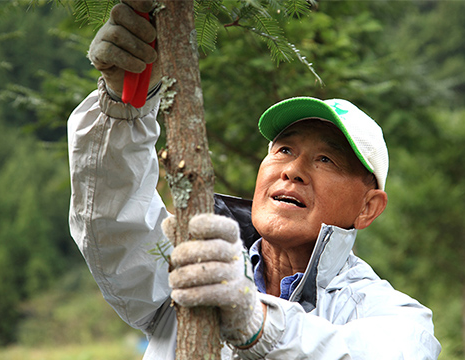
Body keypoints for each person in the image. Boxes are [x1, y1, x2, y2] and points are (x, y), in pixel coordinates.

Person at [68, 1, 441, 359]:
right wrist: (120, 108)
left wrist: (256, 319)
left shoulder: (390, 315)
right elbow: (113, 220)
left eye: (326, 159)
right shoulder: (191, 263)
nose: (292, 170)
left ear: (368, 207)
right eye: (283, 150)